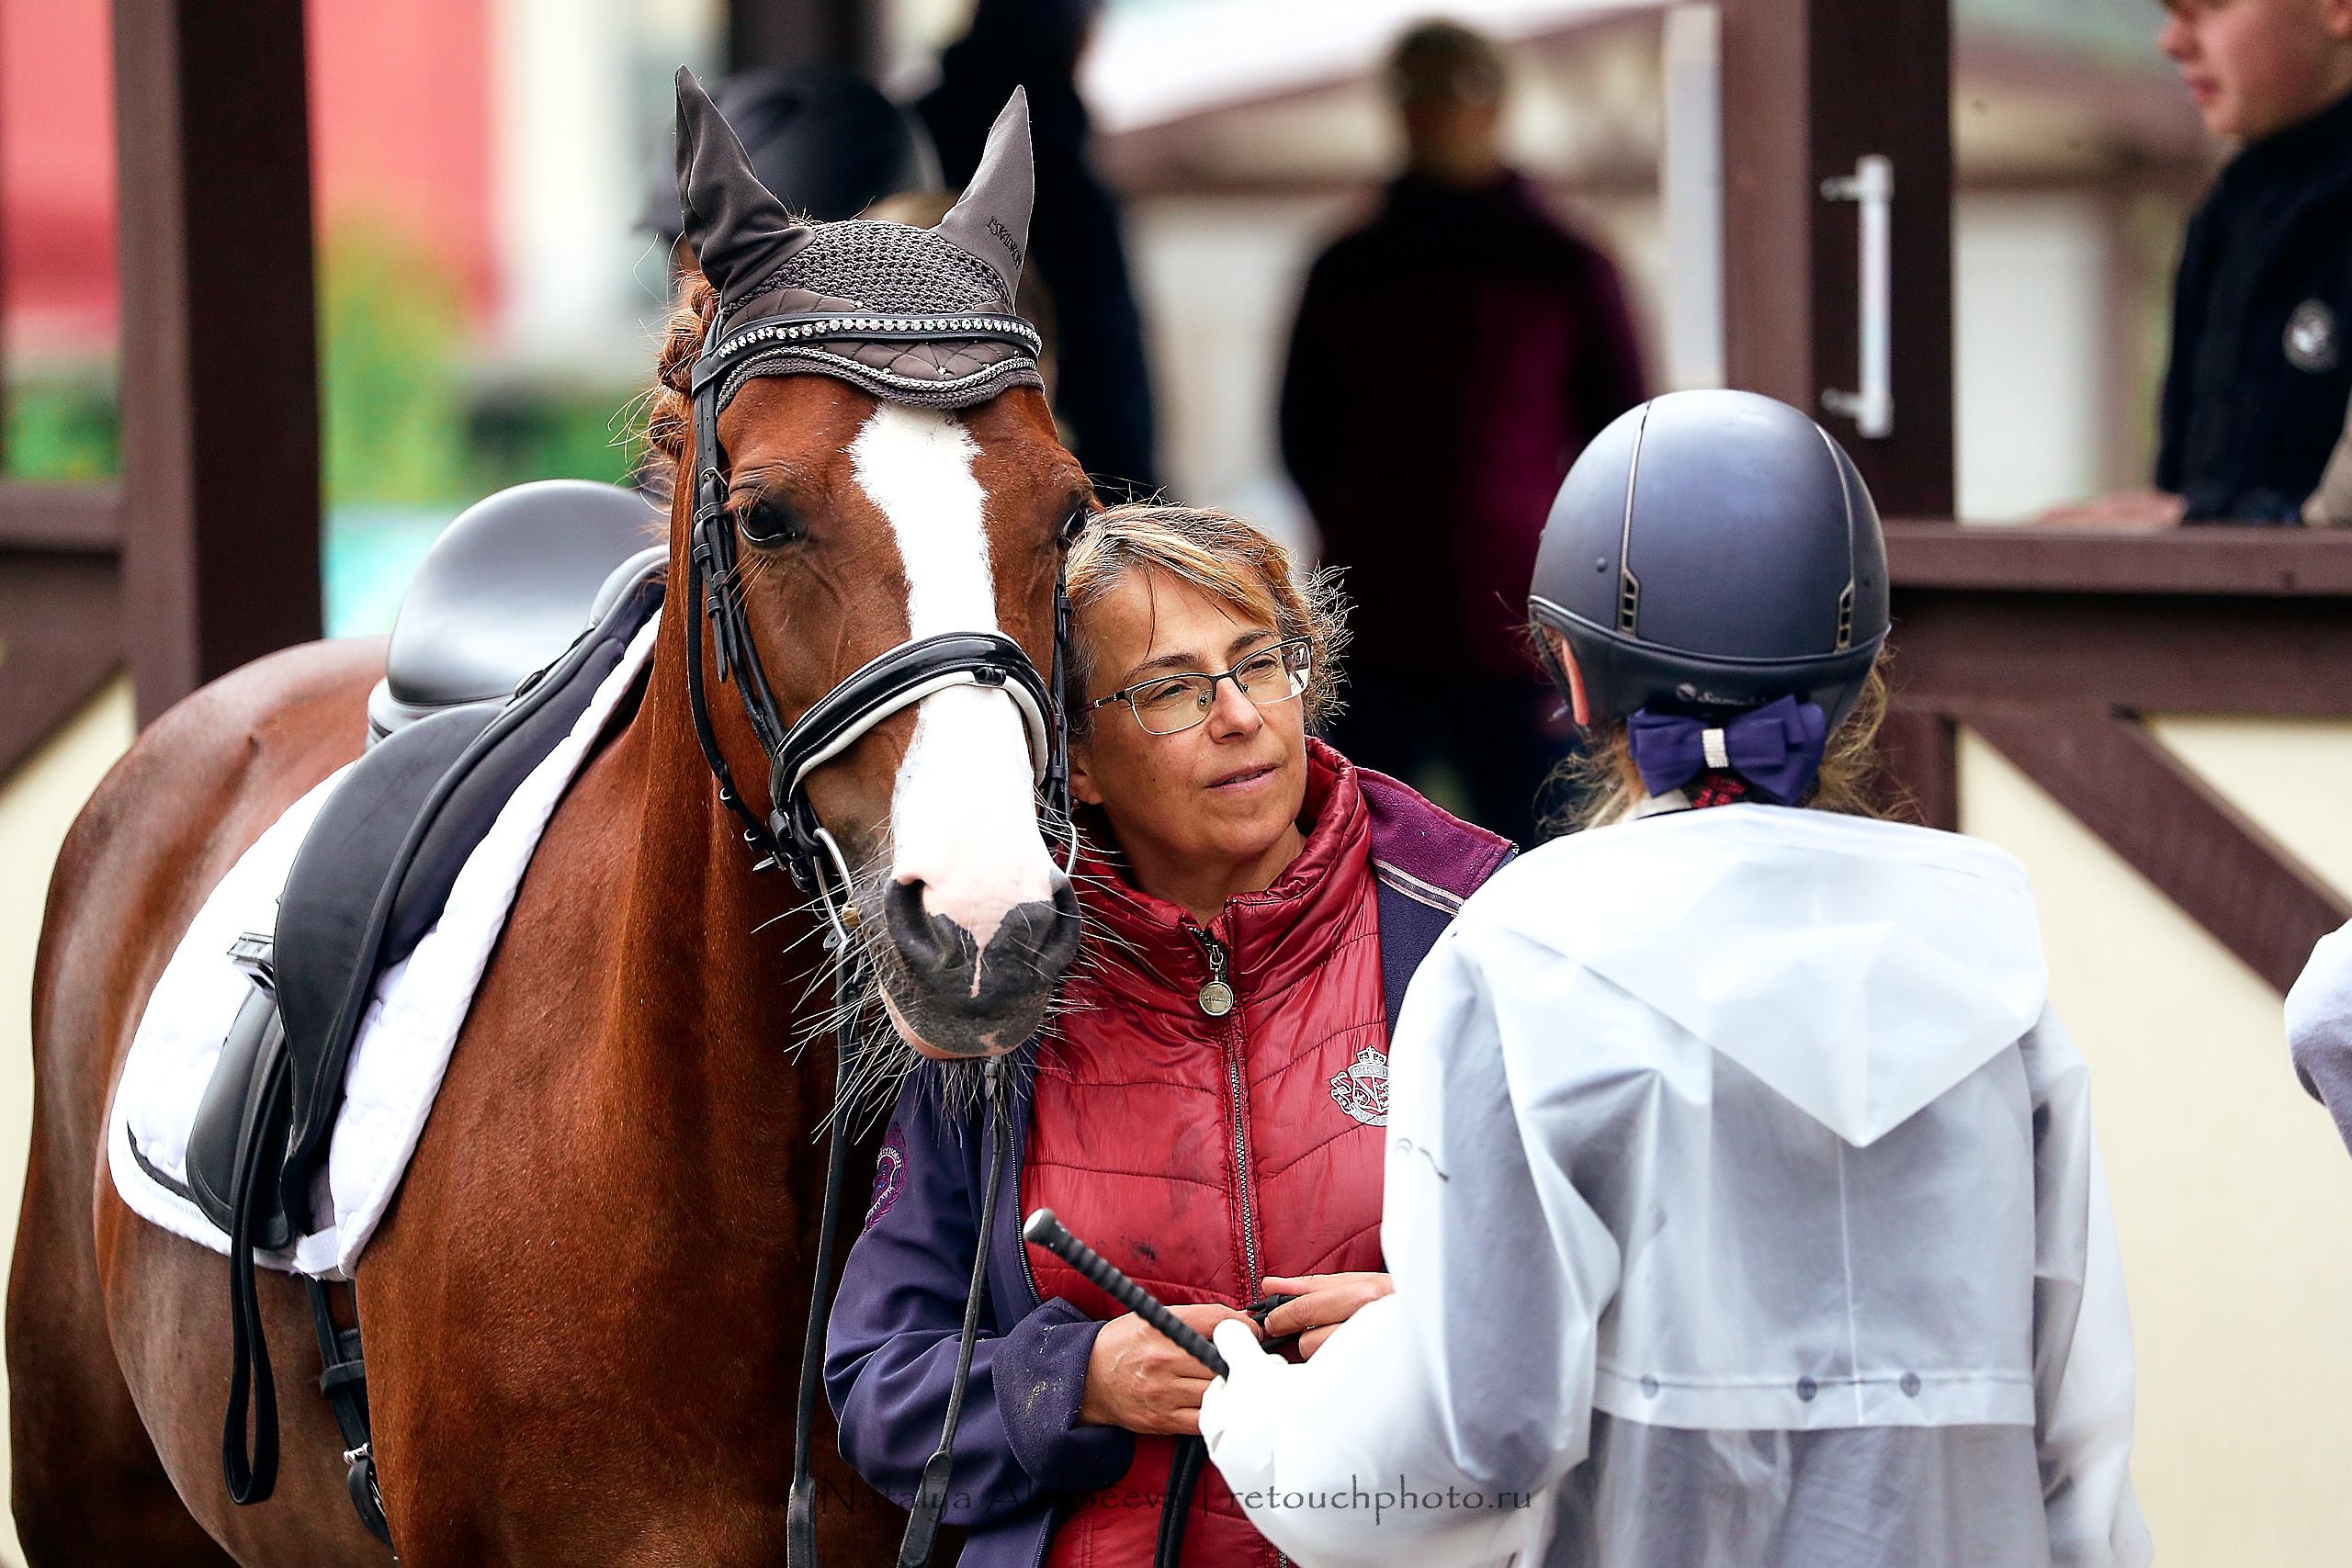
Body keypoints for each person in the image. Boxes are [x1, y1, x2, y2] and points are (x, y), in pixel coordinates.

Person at [1198, 391, 2153, 1568]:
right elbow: (2080, 1424)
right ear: (1855, 679)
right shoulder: (1984, 957)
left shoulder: (1520, 957)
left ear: (1575, 677)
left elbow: (1476, 1437)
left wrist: (1267, 1422)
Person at [826, 504, 1514, 1567]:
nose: (1238, 714)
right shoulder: (998, 983)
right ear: (1079, 763)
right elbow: (878, 1389)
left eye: (1260, 664)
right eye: (1169, 692)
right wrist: (1078, 1382)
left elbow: (1660, 1312)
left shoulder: (1481, 932)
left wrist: (1444, 1331)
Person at [1282, 20, 1645, 845]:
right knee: (1356, 871)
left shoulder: (1563, 263)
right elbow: (1302, 432)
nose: (1439, 110)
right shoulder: (1349, 265)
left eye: (1461, 87)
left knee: (1546, 864)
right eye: (1416, 89)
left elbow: (1619, 436)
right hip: (1374, 627)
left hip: (1520, 631)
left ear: (1498, 102)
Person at [2046, 0, 2352, 526]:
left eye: (2207, 7)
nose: (2171, 42)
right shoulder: (2230, 208)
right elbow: (2188, 483)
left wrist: (2186, 523)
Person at [922, 0, 1159, 497]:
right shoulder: (1059, 181)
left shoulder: (917, 141)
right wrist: (1136, 506)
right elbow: (1106, 372)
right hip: (1046, 493)